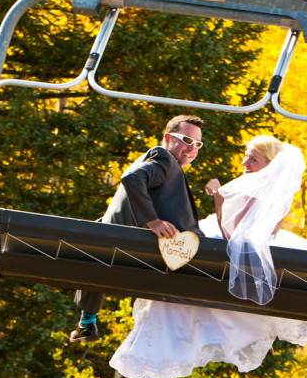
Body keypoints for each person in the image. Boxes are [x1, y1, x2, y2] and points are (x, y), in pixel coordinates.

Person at [109, 135, 307, 378]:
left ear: (270, 165)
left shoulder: (260, 194)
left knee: (177, 278)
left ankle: (155, 350)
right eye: (245, 156)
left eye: (253, 159)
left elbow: (233, 236)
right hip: (226, 256)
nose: (244, 163)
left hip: (224, 256)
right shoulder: (267, 191)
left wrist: (219, 199)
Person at [69, 115, 205, 344]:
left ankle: (87, 320)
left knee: (99, 236)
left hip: (114, 249)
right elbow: (132, 178)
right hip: (153, 256)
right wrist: (153, 221)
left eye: (197, 144)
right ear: (167, 137)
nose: (192, 148)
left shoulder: (163, 167)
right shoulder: (163, 159)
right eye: (186, 140)